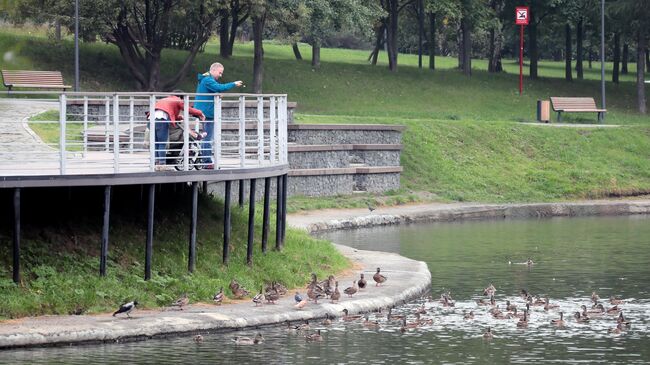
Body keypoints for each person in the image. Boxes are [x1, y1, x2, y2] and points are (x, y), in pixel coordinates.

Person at [195, 62, 243, 169]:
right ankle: (207, 162)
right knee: (207, 137)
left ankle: (204, 159)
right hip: (207, 114)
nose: (220, 75)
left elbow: (213, 90)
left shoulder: (205, 78)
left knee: (205, 136)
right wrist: (234, 84)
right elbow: (220, 87)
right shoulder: (208, 80)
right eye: (220, 73)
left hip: (203, 112)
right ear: (214, 70)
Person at [152, 90, 205, 170]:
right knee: (162, 143)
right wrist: (200, 113)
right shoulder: (177, 100)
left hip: (152, 118)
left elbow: (170, 112)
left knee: (156, 143)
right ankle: (162, 164)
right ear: (181, 97)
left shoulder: (166, 99)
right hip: (161, 119)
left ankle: (156, 163)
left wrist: (179, 117)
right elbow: (188, 109)